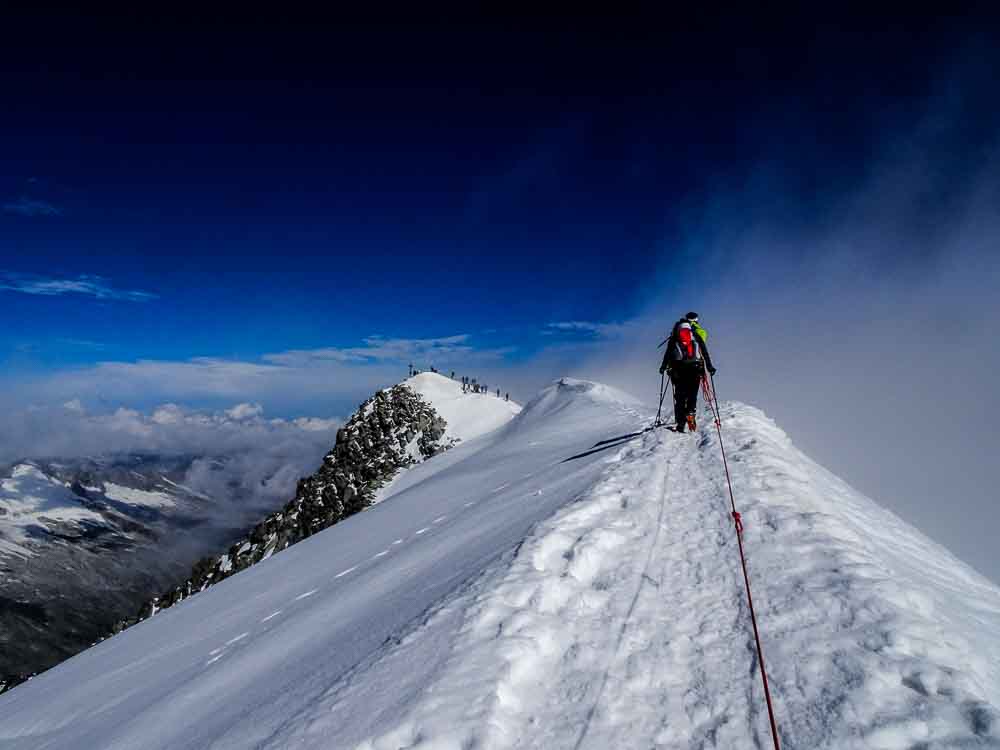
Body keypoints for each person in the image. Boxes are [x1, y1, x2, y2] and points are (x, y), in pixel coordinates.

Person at [659, 314, 716, 433]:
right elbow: (704, 351)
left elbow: (668, 353)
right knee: (692, 394)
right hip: (695, 368)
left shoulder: (675, 336)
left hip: (678, 370)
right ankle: (691, 412)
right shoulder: (695, 335)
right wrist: (709, 367)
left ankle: (680, 424)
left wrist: (663, 367)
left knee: (679, 397)